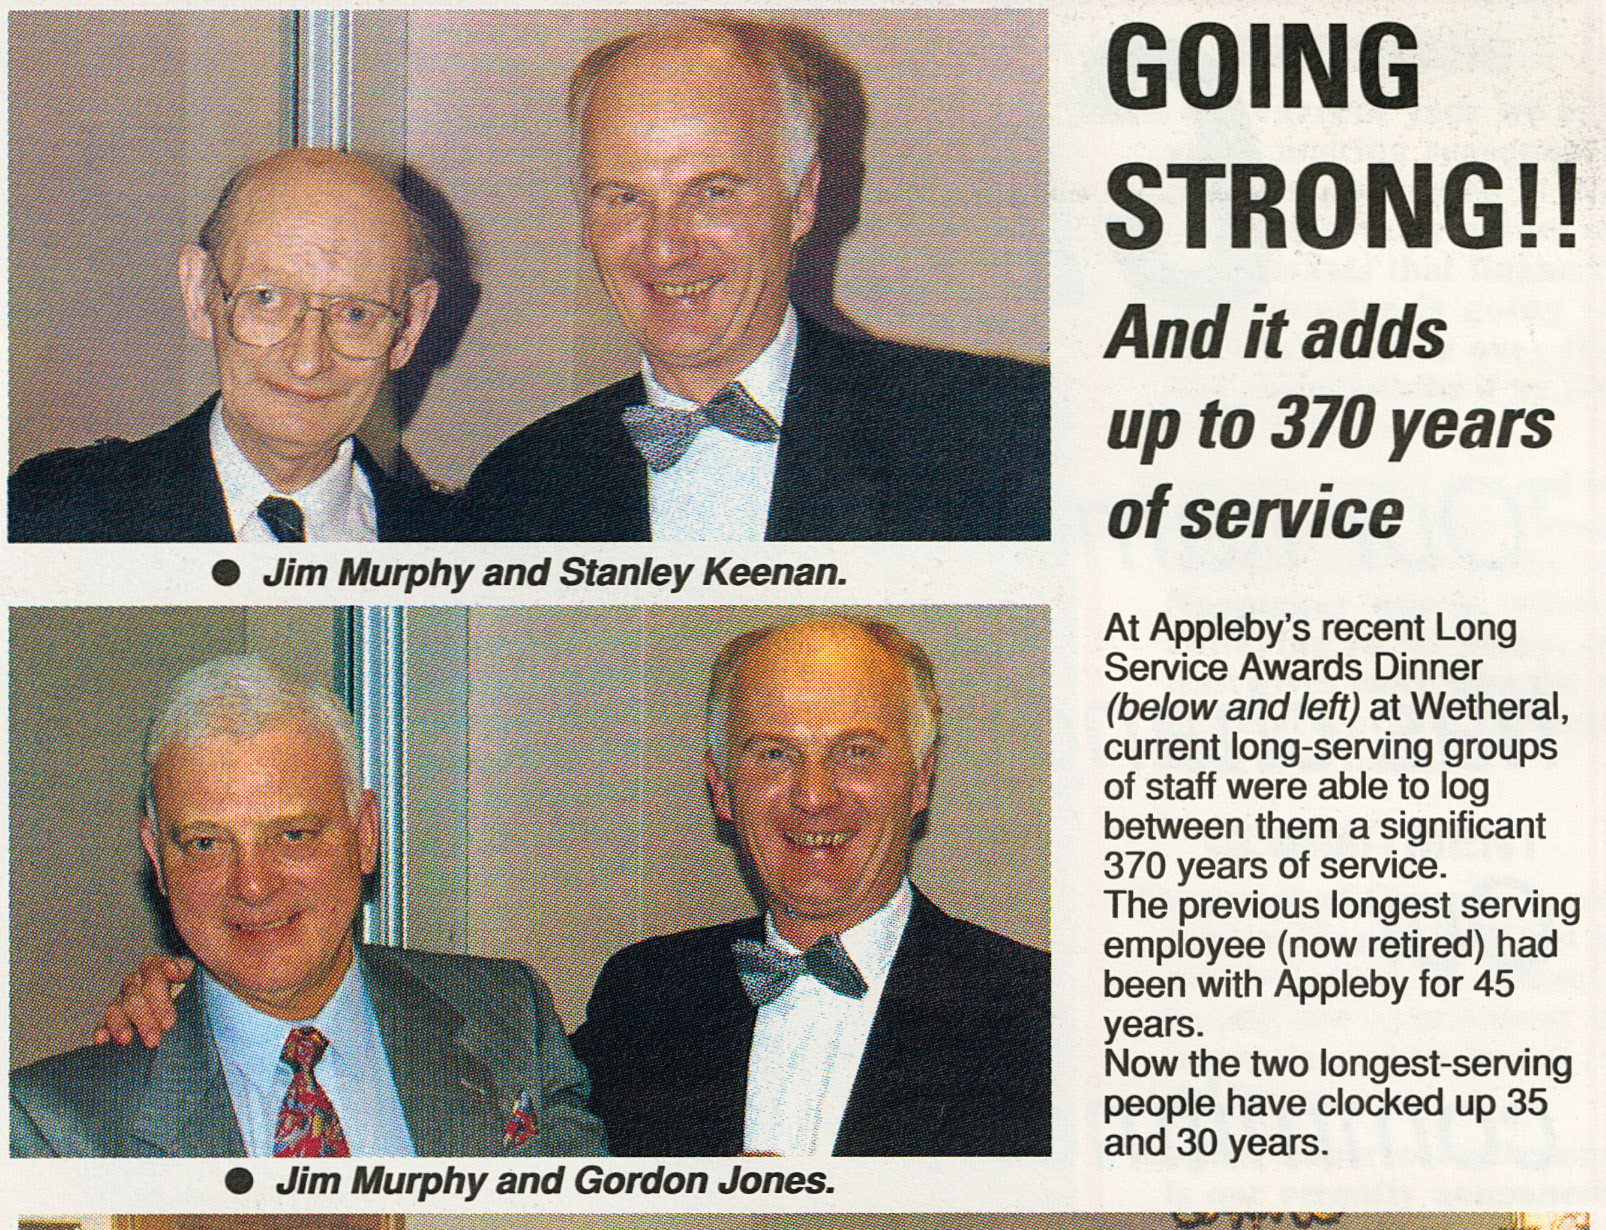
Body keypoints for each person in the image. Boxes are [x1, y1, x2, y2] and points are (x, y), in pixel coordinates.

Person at [463, 20, 1048, 542]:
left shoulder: (1002, 433)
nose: (666, 249)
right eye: (624, 197)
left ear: (802, 200)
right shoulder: (520, 484)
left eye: (713, 192)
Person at [12, 654, 604, 1157]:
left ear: (364, 835)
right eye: (206, 843)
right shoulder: (53, 1126)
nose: (253, 885)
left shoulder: (508, 1016)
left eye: (293, 835)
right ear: (158, 859)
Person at [573, 616, 1050, 1155]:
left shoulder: (1038, 1012)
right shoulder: (646, 993)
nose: (814, 797)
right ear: (722, 787)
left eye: (856, 752)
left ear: (920, 780)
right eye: (775, 754)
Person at [10, 149, 446, 541]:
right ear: (199, 293)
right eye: (266, 298)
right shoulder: (54, 517)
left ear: (410, 326)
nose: (307, 361)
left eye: (356, 313)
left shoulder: (453, 540)